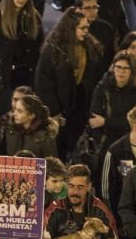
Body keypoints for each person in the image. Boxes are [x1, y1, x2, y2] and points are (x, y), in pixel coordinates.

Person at [35, 9, 104, 157]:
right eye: (82, 28)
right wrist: (54, 113)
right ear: (70, 28)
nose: (86, 31)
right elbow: (44, 84)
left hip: (80, 109)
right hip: (59, 114)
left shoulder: (90, 47)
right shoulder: (53, 50)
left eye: (87, 27)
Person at [89, 52, 136, 150]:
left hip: (127, 145)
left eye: (125, 68)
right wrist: (121, 123)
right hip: (103, 144)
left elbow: (135, 124)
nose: (121, 71)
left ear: (132, 71)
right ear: (113, 68)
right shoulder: (102, 88)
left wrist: (106, 122)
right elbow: (94, 120)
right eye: (118, 67)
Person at [4, 92, 58, 157]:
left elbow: (51, 163)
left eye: (19, 111)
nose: (14, 114)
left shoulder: (45, 137)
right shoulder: (10, 130)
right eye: (15, 109)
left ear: (31, 115)